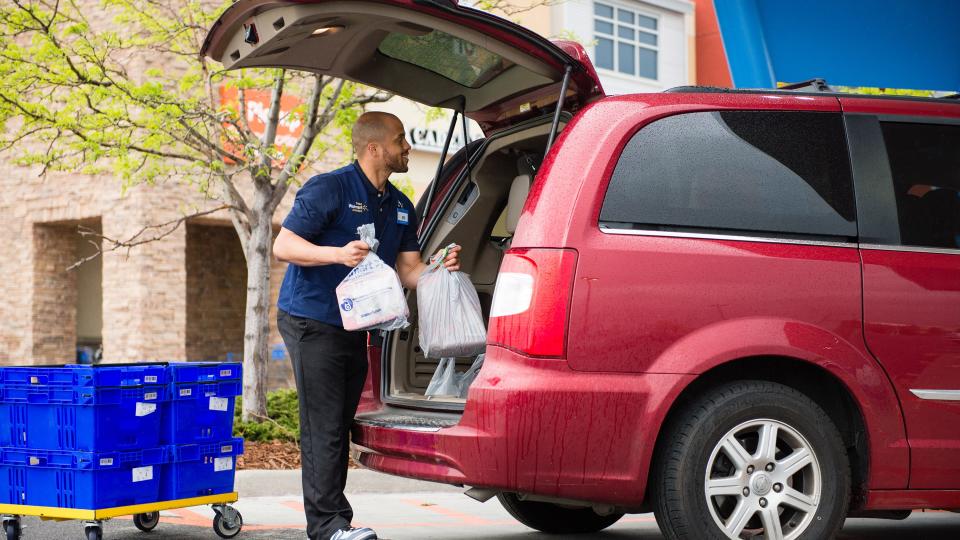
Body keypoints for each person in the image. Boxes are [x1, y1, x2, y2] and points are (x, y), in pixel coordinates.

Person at [273, 111, 461, 540]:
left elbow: (409, 272)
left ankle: (336, 521)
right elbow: (285, 244)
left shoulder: (398, 205)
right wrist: (336, 254)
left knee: (339, 421)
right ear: (374, 148)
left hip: (358, 328)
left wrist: (438, 269)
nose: (407, 147)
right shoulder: (330, 188)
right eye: (400, 140)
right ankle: (328, 527)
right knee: (324, 424)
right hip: (312, 319)